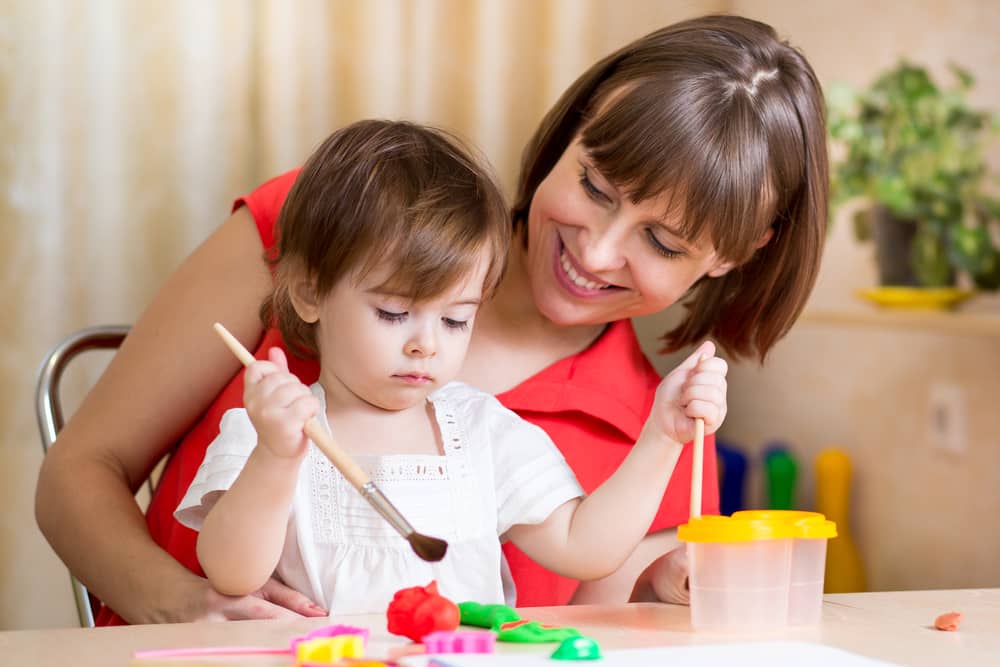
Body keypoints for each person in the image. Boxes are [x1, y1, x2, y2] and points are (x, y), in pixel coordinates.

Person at [35, 14, 828, 625]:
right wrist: (185, 607)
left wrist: (659, 585)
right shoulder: (331, 226)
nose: (597, 249)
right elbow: (78, 475)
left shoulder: (649, 442)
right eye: (594, 185)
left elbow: (578, 617)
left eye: (661, 240)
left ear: (734, 254)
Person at [176, 119, 728, 615]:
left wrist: (661, 435)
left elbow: (587, 547)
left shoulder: (483, 431)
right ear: (309, 292)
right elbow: (231, 573)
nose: (426, 345)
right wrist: (276, 458)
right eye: (394, 313)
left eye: (456, 321)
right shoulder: (267, 429)